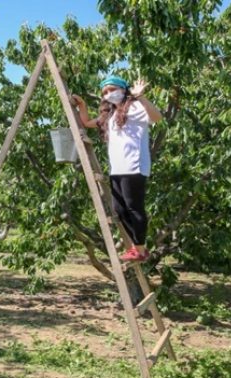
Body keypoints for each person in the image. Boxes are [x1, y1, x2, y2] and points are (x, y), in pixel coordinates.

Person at [70, 76, 163, 262]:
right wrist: (82, 106)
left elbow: (157, 117)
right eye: (104, 92)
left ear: (122, 89)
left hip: (134, 166)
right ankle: (137, 248)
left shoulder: (135, 107)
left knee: (134, 207)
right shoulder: (110, 116)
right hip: (117, 169)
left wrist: (140, 97)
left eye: (111, 89)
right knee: (119, 210)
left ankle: (141, 249)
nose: (108, 94)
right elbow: (87, 123)